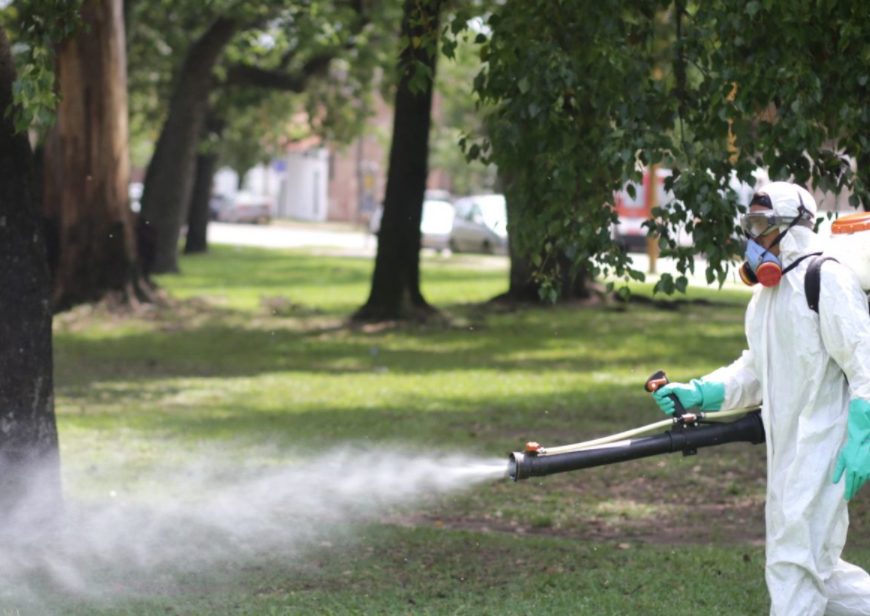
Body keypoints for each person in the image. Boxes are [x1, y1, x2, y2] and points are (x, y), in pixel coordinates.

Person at [652, 181, 870, 616]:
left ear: (794, 227)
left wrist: (862, 438)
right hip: (787, 448)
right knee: (820, 571)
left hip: (828, 445)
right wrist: (701, 391)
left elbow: (864, 364)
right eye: (748, 224)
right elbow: (755, 368)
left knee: (792, 562)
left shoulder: (827, 280)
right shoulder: (765, 297)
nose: (753, 238)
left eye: (761, 225)